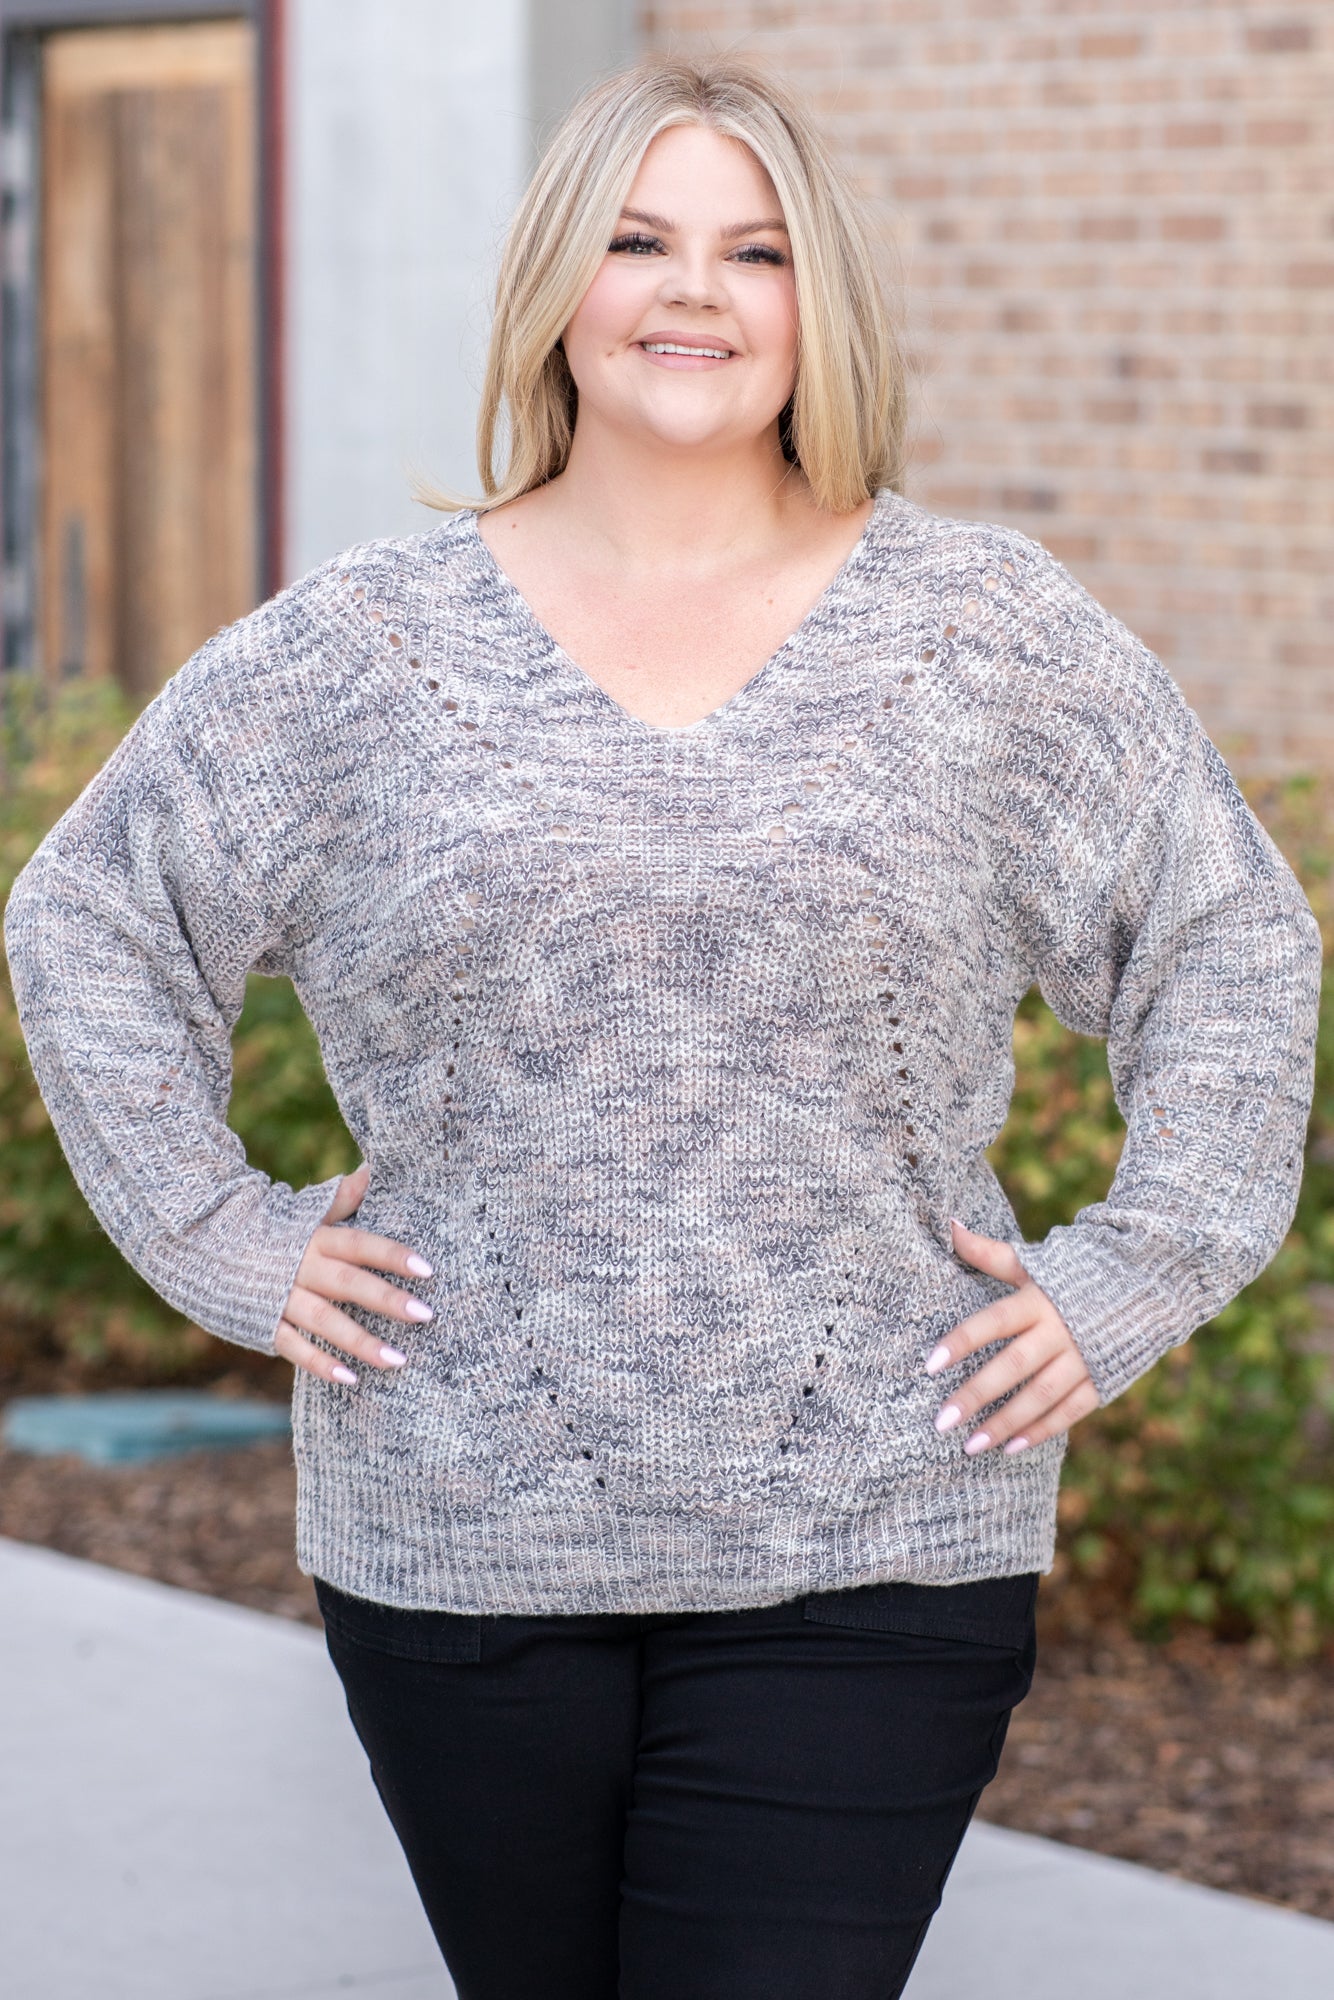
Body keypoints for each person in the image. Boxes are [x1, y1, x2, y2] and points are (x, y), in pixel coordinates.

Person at [4, 52, 1321, 2000]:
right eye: (637, 241)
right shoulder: (365, 649)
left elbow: (1227, 939)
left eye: (753, 250)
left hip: (881, 1522)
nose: (693, 289)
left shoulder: (985, 637)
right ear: (558, 286)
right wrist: (223, 1234)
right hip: (464, 1534)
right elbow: (93, 914)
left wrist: (1139, 1265)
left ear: (817, 301)